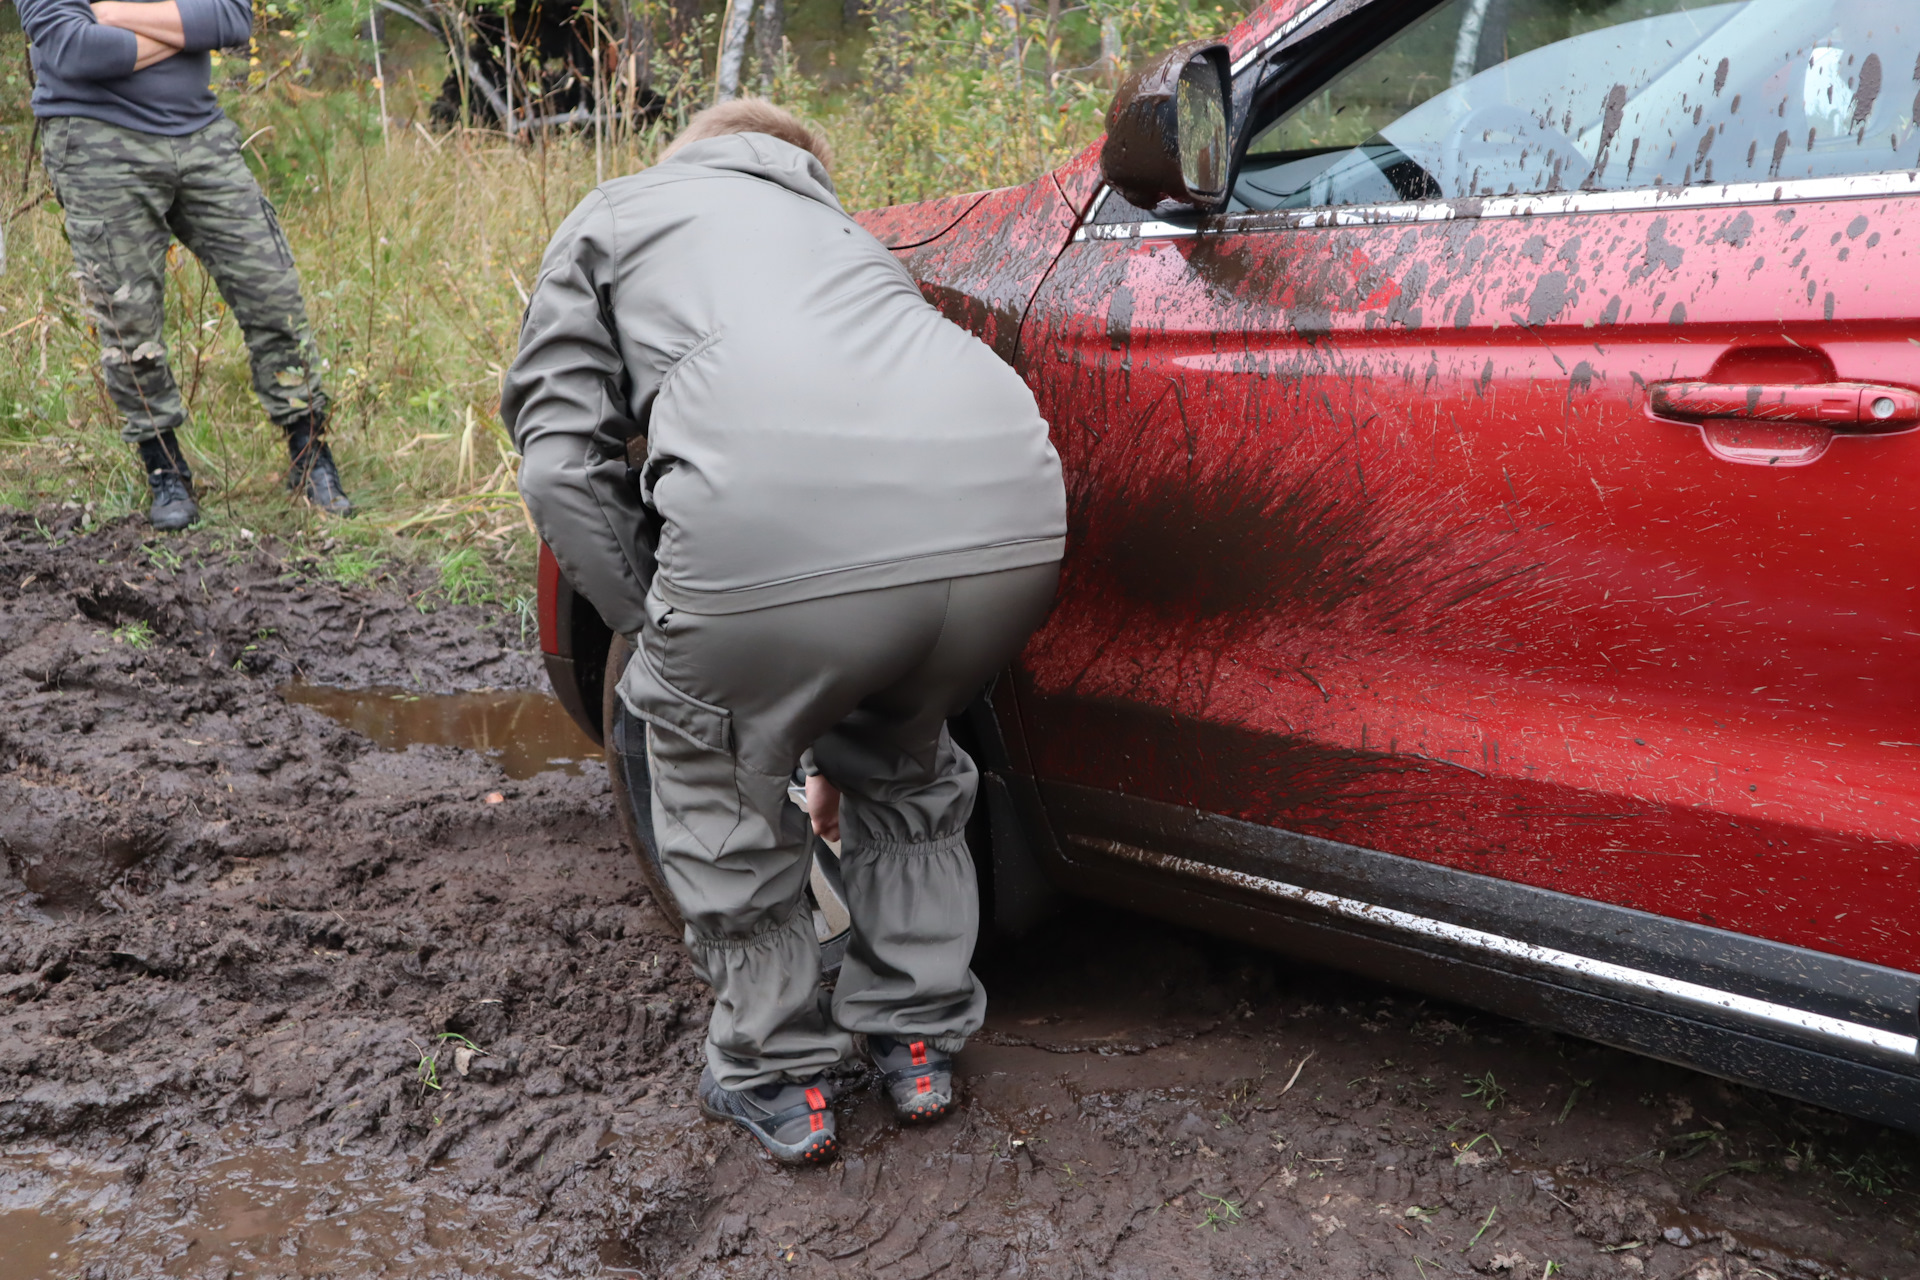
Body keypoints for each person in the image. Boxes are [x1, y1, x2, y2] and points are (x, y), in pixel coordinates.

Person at [503, 100, 1066, 1166]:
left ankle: (778, 1075)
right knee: (904, 755)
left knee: (716, 784)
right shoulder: (848, 236)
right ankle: (918, 1045)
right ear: (802, 168)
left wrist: (658, 627)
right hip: (1010, 529)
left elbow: (558, 460)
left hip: (781, 541)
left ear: (689, 158)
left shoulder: (621, 211)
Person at [19, 0, 352, 530]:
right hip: (96, 144)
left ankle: (309, 453)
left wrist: (110, 14)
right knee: (128, 318)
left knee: (272, 289)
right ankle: (164, 468)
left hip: (201, 133)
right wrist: (181, 32)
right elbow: (76, 50)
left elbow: (229, 20)